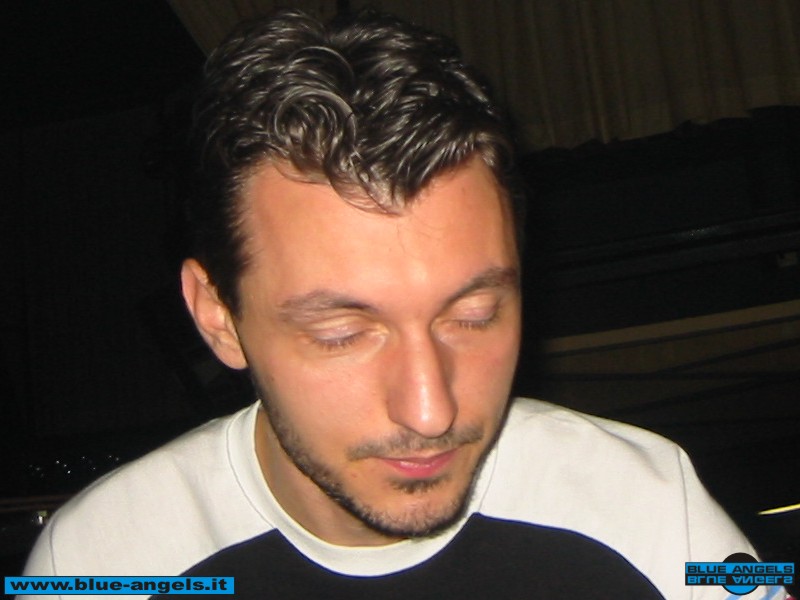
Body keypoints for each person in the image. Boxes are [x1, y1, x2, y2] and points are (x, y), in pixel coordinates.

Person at [21, 9, 783, 600]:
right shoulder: (95, 564)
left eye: (472, 316)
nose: (430, 410)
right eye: (342, 333)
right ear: (218, 315)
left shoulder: (652, 506)